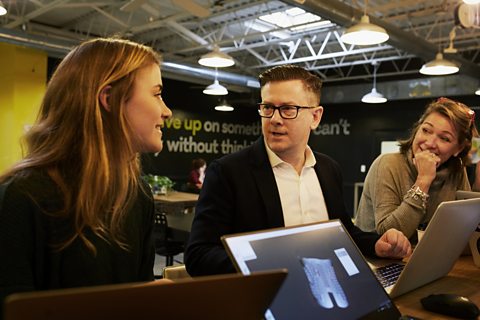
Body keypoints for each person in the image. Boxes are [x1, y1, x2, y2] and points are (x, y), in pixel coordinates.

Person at [185, 64, 411, 276]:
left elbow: (343, 232)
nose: (274, 119)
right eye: (268, 107)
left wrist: (375, 244)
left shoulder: (328, 169)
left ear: (315, 117)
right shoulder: (228, 173)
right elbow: (199, 255)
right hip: (265, 301)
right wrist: (268, 264)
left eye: (287, 109)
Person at [0, 37, 172, 309]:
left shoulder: (138, 196)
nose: (167, 111)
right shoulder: (21, 197)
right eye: (156, 94)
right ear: (109, 99)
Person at [355, 97, 479, 240]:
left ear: (458, 148)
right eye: (426, 130)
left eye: (444, 138)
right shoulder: (387, 164)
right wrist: (423, 181)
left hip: (429, 256)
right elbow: (387, 235)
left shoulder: (457, 171)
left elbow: (464, 231)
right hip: (377, 260)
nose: (430, 143)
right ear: (417, 129)